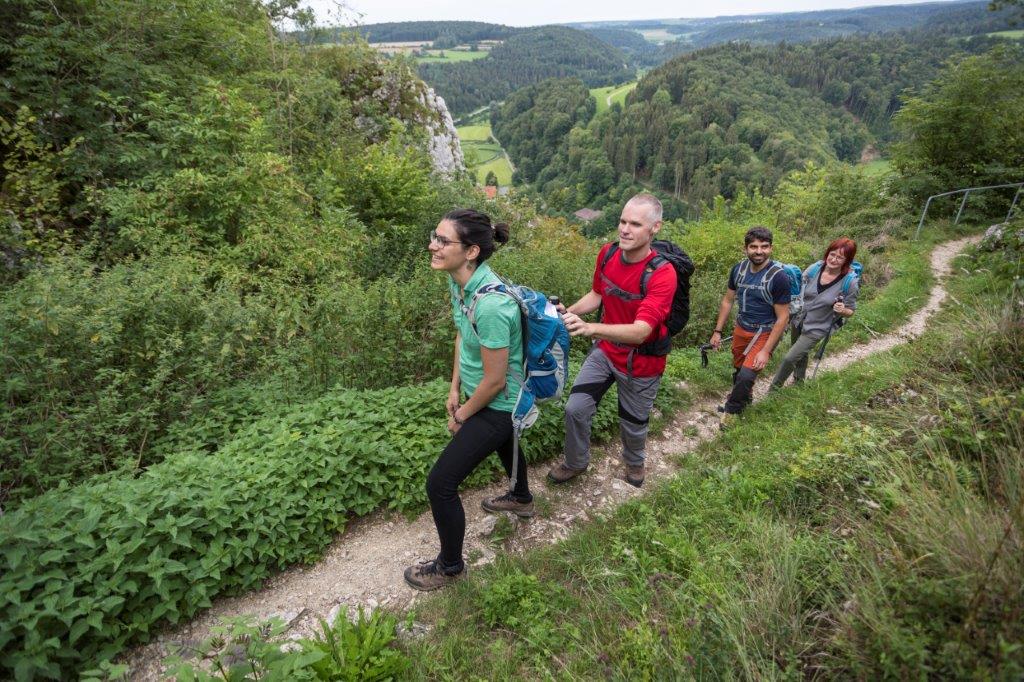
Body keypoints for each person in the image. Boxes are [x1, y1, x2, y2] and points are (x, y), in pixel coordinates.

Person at [405, 208, 533, 591]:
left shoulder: (493, 304)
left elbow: (494, 383)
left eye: (443, 241)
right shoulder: (461, 283)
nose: (433, 245)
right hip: (481, 396)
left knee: (440, 483)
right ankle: (522, 497)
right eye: (435, 235)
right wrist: (454, 387)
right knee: (506, 441)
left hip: (497, 402)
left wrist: (461, 414)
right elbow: (463, 333)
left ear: (471, 251)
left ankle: (450, 566)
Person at [546, 193, 677, 488]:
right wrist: (570, 312)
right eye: (622, 221)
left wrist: (591, 328)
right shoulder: (608, 254)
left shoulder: (662, 274)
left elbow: (642, 330)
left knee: (633, 424)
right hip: (606, 352)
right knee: (575, 409)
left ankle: (634, 464)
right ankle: (576, 462)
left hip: (642, 362)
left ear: (655, 228)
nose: (625, 229)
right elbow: (598, 294)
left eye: (635, 224)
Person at [708, 226, 791, 427]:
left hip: (765, 330)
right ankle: (745, 398)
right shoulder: (738, 270)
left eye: (764, 246)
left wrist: (765, 351)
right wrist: (717, 331)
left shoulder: (778, 277)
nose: (759, 251)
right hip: (741, 327)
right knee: (739, 370)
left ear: (771, 248)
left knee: (747, 374)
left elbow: (783, 318)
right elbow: (728, 301)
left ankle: (732, 411)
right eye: (753, 246)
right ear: (745, 248)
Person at [771, 238, 859, 389]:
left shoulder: (849, 282)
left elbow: (850, 311)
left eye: (840, 257)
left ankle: (773, 390)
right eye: (832, 254)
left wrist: (842, 310)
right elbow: (797, 291)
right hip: (798, 320)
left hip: (818, 327)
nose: (834, 259)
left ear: (847, 261)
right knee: (801, 354)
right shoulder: (814, 269)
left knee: (789, 358)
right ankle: (799, 383)